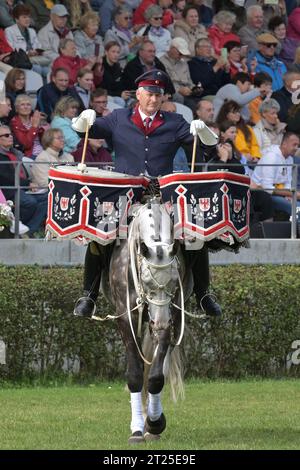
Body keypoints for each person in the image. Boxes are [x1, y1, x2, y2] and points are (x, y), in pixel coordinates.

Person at [71, 69, 222, 319]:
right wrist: (82, 120)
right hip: (125, 196)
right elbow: (87, 131)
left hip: (162, 196)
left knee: (195, 232)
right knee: (100, 234)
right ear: (138, 94)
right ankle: (89, 294)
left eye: (158, 95)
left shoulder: (174, 122)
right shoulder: (119, 118)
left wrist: (205, 133)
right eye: (149, 94)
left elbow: (205, 148)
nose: (153, 100)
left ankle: (204, 293)